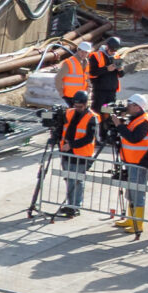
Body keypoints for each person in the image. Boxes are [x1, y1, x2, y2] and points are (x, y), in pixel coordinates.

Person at [111, 99, 148, 234]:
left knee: (138, 193)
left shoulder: (144, 121)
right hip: (132, 162)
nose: (127, 107)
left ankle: (138, 224)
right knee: (131, 192)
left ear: (138, 107)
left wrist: (119, 126)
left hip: (140, 164)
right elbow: (104, 107)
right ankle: (130, 218)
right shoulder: (135, 118)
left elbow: (133, 138)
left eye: (130, 105)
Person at [51, 89, 100, 217]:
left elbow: (89, 138)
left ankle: (75, 206)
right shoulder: (69, 112)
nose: (77, 108)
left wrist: (71, 145)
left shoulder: (92, 118)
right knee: (69, 179)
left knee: (78, 180)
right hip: (67, 152)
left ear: (85, 104)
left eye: (80, 106)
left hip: (81, 154)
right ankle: (70, 204)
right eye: (75, 105)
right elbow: (61, 128)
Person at [88, 35, 124, 112]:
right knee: (97, 112)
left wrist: (120, 70)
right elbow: (92, 73)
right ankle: (97, 123)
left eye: (115, 51)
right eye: (111, 51)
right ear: (107, 47)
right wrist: (106, 69)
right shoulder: (96, 56)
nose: (113, 53)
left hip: (111, 91)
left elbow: (121, 75)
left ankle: (105, 123)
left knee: (107, 112)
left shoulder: (116, 56)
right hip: (100, 91)